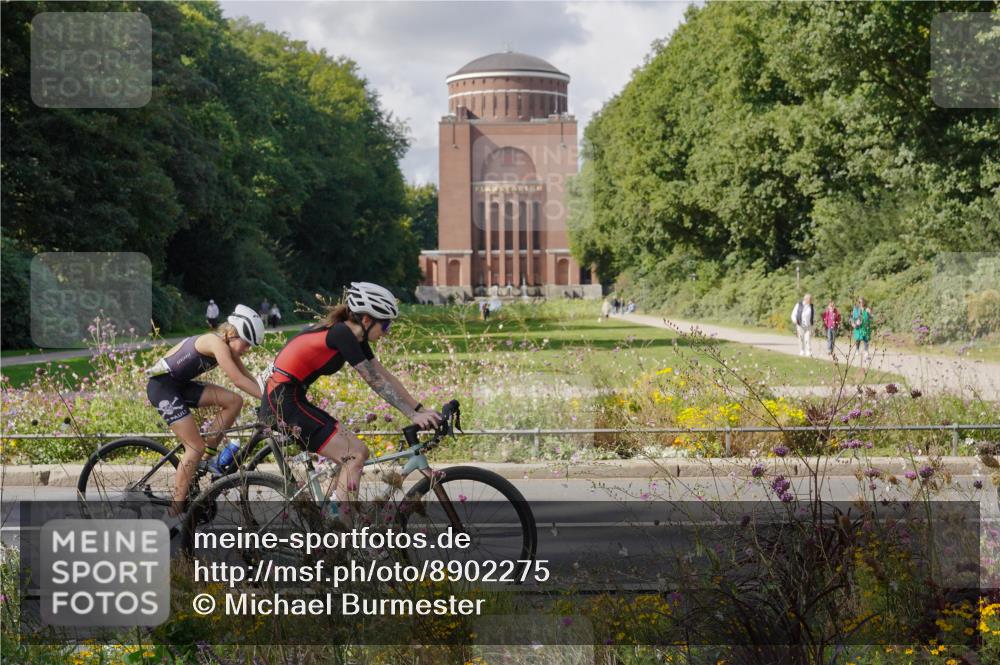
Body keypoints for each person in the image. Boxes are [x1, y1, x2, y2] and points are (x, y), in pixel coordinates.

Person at [259, 282, 442, 512]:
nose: (387, 331)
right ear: (366, 319)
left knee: (353, 454)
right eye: (385, 324)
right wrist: (411, 414)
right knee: (355, 454)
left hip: (292, 399)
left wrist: (419, 408)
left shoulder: (355, 336)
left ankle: (332, 520)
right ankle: (342, 534)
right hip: (282, 403)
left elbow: (383, 374)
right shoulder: (341, 333)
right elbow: (373, 381)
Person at [145, 305, 265, 516]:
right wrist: (266, 398)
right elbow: (237, 380)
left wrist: (270, 395)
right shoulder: (214, 342)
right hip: (162, 388)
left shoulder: (228, 345)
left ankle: (208, 459)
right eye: (247, 344)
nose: (248, 350)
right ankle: (174, 512)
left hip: (180, 385)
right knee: (193, 448)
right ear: (233, 333)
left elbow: (248, 376)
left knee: (234, 402)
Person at [851, 297, 873, 363]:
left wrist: (870, 313)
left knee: (866, 339)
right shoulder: (856, 309)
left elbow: (871, 318)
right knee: (858, 339)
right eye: (860, 302)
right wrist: (853, 323)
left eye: (862, 302)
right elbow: (852, 318)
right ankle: (857, 350)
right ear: (858, 302)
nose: (861, 303)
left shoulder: (867, 309)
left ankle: (866, 351)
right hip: (858, 327)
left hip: (865, 327)